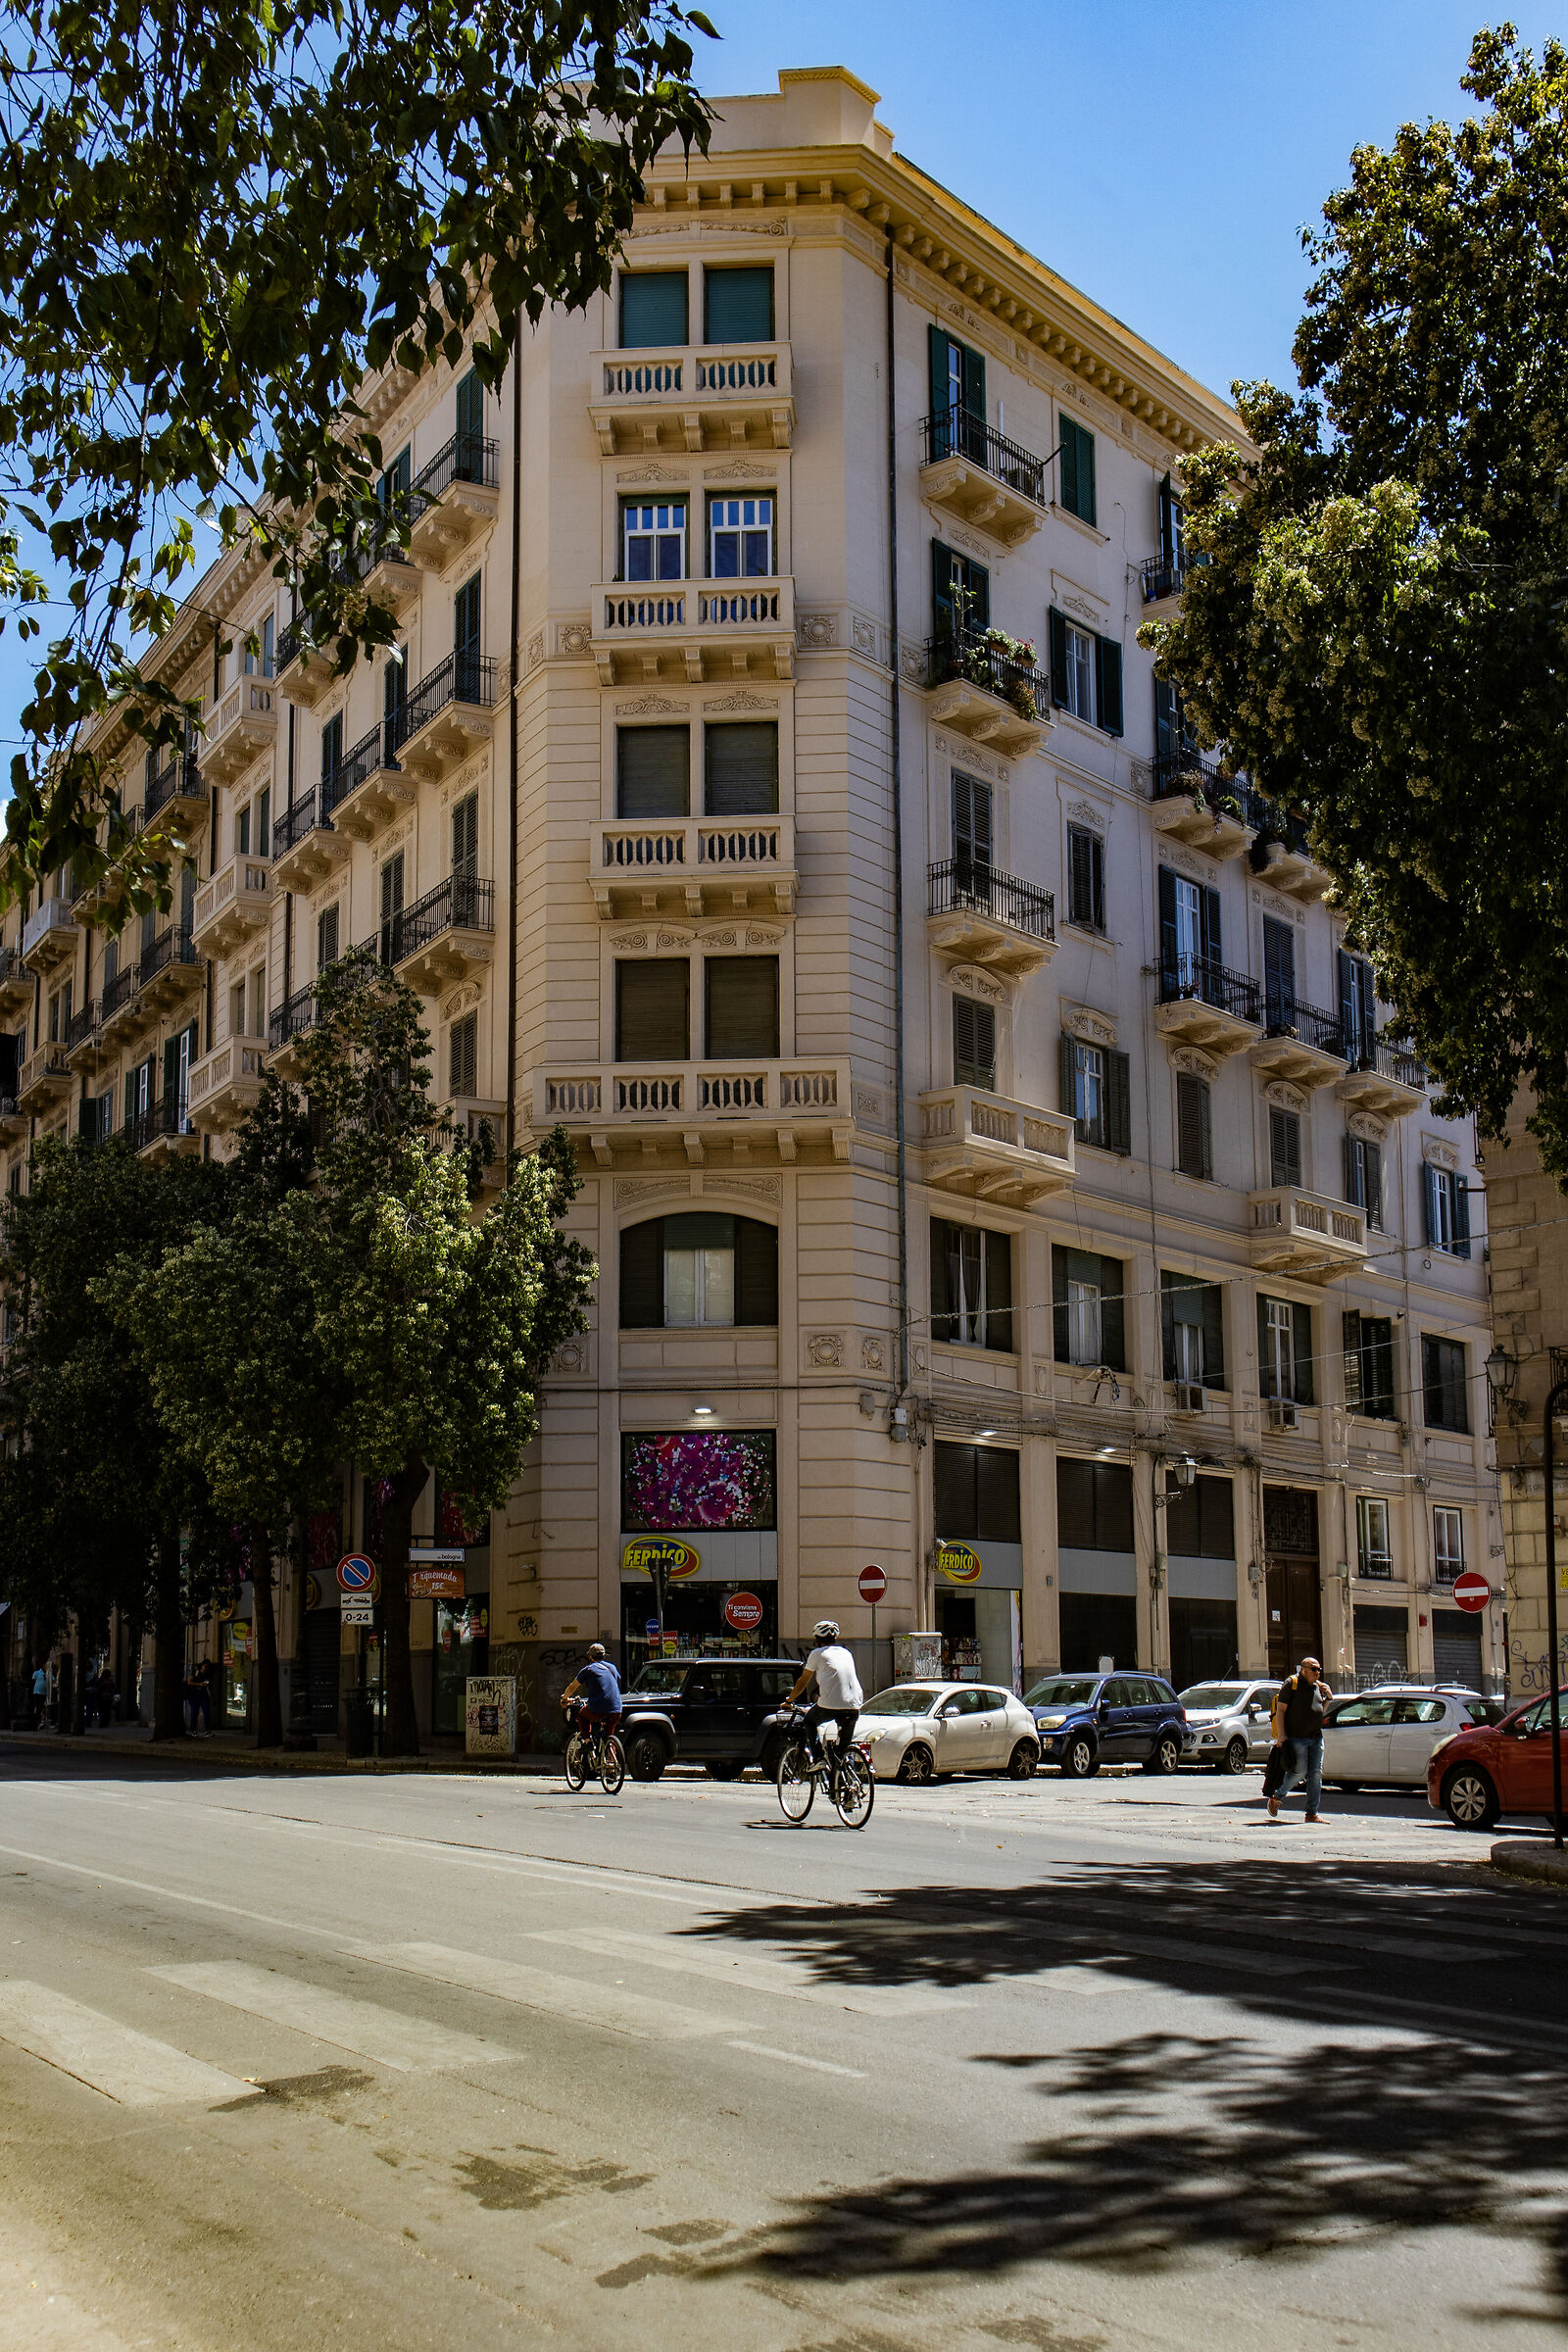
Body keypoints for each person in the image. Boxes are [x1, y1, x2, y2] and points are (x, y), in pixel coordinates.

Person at [783, 1621, 864, 1782]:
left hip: (831, 1704)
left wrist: (789, 1699)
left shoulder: (817, 1653)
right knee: (842, 1750)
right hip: (855, 1704)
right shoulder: (846, 1653)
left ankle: (819, 1758)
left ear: (817, 1639)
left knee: (809, 1721)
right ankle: (848, 1790)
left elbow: (803, 1681)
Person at [1268, 1655, 1329, 1822]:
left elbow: (1318, 1711)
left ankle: (1312, 1814)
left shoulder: (1317, 1687)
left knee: (1316, 1775)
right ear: (1303, 1670)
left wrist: (1328, 1699)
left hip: (1316, 1737)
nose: (1318, 1673)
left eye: (1319, 1670)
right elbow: (1280, 1710)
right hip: (1297, 1737)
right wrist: (1281, 1734)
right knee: (1299, 1772)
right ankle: (1278, 1796)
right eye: (1314, 1669)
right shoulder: (1291, 1683)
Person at [561, 1643, 622, 1750]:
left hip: (598, 1709)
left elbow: (572, 1687)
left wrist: (564, 1698)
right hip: (617, 1709)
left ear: (590, 1656)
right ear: (603, 1655)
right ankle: (611, 1760)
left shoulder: (588, 1669)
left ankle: (588, 1741)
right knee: (607, 1736)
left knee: (581, 1715)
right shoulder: (612, 1668)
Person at [29, 1662, 47, 1730]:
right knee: (38, 1706)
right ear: (42, 1666)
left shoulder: (47, 1673)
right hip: (37, 1692)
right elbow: (33, 1679)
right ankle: (37, 1721)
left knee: (42, 1706)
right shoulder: (36, 1672)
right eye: (45, 1665)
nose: (46, 1667)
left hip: (44, 1692)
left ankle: (40, 1720)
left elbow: (53, 1680)